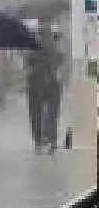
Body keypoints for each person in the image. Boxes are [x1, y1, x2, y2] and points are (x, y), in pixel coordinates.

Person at [24, 21, 65, 154]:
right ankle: (50, 139)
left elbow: (27, 64)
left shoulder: (32, 48)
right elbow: (61, 62)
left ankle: (39, 139)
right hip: (52, 82)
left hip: (37, 83)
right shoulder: (55, 49)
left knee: (37, 112)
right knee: (52, 113)